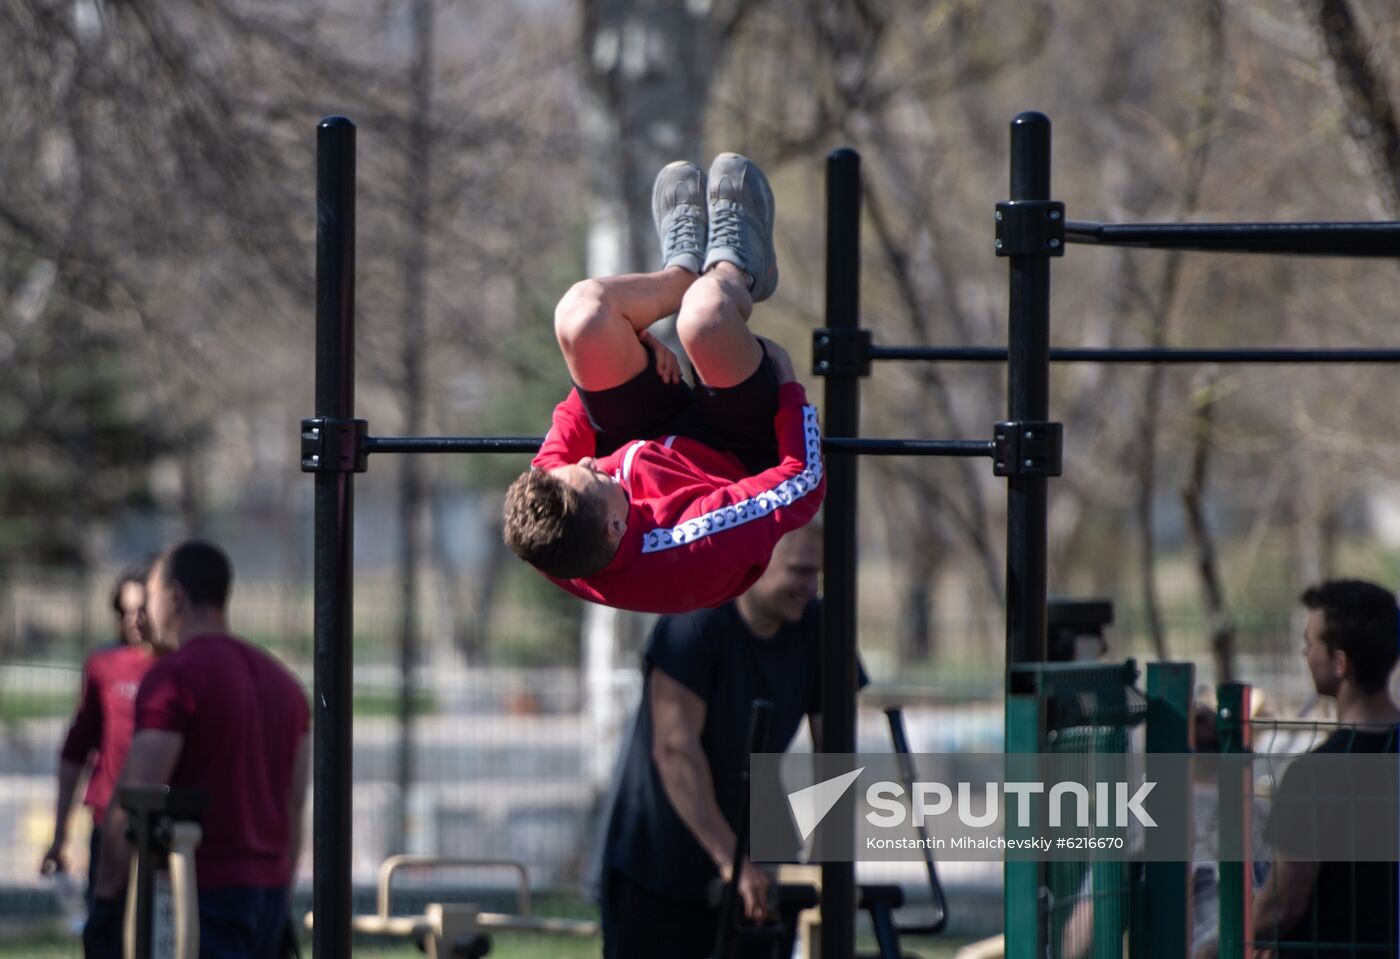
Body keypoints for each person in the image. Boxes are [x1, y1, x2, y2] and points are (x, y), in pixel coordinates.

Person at [503, 154, 825, 615]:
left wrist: (632, 342)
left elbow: (576, 416)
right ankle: (735, 272)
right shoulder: (695, 541)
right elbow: (802, 484)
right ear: (616, 526)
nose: (588, 461)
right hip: (734, 457)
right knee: (705, 317)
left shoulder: (552, 525)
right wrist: (788, 386)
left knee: (580, 315)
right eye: (594, 474)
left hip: (644, 433)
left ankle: (681, 274)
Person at [596, 524, 864, 959]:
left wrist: (827, 861)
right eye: (799, 572)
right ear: (756, 562)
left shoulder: (819, 629)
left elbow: (834, 750)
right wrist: (729, 860)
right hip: (661, 863)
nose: (810, 586)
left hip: (757, 852)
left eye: (817, 574)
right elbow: (675, 750)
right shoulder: (695, 621)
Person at [85, 541, 311, 959]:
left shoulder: (176, 677)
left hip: (197, 894)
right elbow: (294, 804)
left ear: (176, 596)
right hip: (268, 894)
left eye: (151, 596)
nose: (144, 610)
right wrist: (281, 896)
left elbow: (137, 797)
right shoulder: (286, 685)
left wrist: (105, 898)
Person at [1196, 579, 1399, 959]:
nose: (1304, 654)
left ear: (1340, 663)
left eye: (1309, 643)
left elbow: (1282, 904)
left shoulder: (1317, 776)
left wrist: (1214, 949)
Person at [41, 560, 158, 911]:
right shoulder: (104, 664)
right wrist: (59, 833)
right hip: (110, 821)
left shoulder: (178, 665)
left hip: (164, 823)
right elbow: (75, 749)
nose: (132, 620)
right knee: (106, 921)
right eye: (124, 611)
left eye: (141, 610)